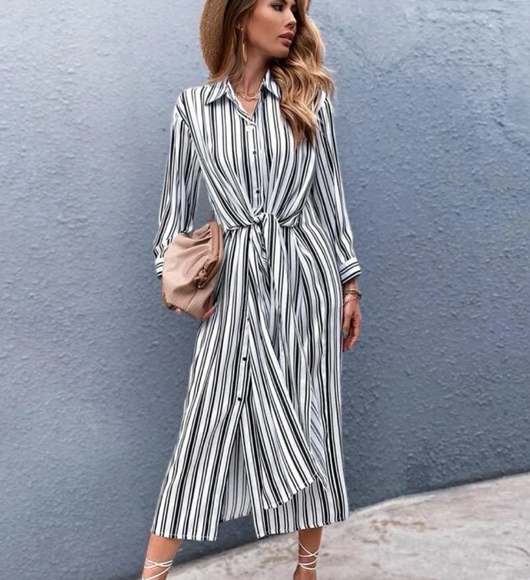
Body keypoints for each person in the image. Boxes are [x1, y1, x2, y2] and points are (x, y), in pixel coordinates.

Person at [144, 0, 362, 578]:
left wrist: (349, 283)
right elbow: (172, 214)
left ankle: (306, 570)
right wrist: (176, 284)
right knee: (205, 426)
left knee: (312, 419)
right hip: (234, 283)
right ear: (240, 16)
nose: (292, 19)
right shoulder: (193, 109)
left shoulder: (307, 98)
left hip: (305, 281)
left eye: (296, 9)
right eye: (277, 5)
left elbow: (330, 197)